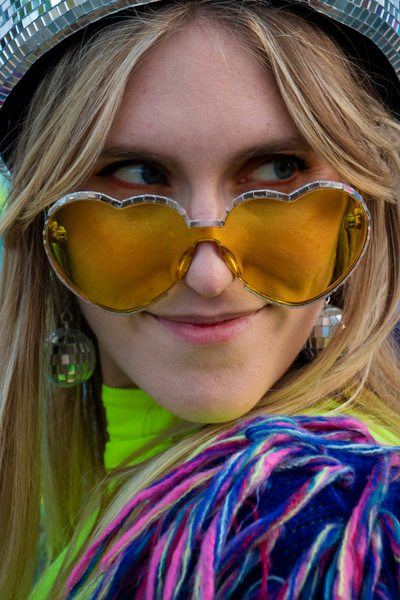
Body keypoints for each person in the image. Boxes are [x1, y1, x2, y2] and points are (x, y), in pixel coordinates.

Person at [1, 0, 400, 597]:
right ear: (47, 222)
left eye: (278, 169)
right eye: (139, 174)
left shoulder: (325, 534)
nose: (209, 277)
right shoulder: (89, 518)